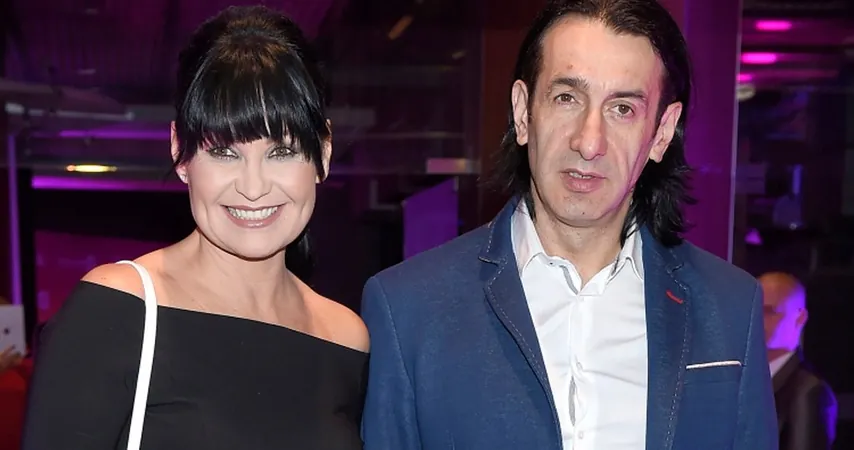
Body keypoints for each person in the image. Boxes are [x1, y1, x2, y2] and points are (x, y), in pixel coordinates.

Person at [360, 0, 777, 449]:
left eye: (622, 109)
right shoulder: (410, 309)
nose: (589, 142)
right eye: (567, 98)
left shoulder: (729, 307)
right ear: (523, 112)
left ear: (661, 133)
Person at [22, 6, 369, 450]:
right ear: (180, 153)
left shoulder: (345, 336)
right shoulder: (118, 310)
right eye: (223, 152)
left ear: (323, 153)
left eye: (281, 152)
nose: (253, 188)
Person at [759, 272, 837, 450]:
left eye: (770, 312)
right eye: (753, 312)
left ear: (800, 317)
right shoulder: (739, 378)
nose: (758, 321)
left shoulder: (808, 390)